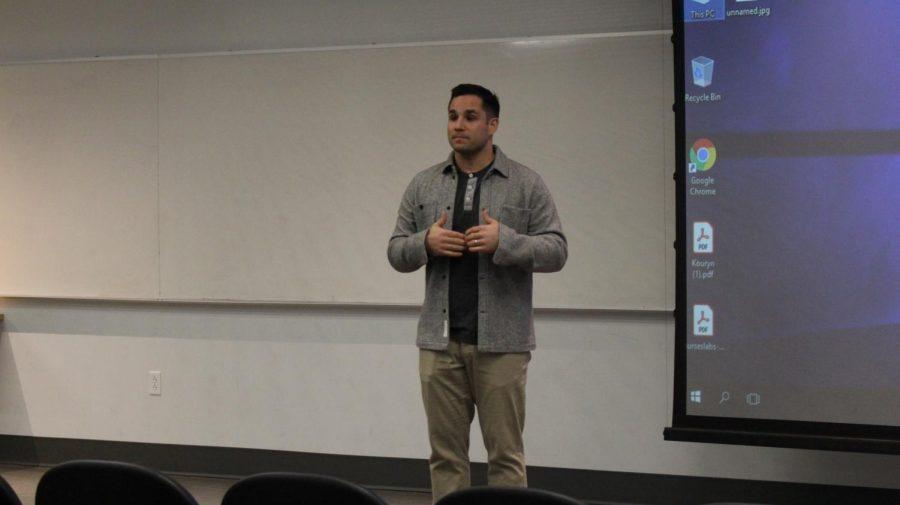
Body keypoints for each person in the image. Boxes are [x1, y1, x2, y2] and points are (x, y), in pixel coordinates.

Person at [387, 83, 567, 502]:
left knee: (505, 457)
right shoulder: (424, 184)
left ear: (493, 124)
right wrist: (425, 244)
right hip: (439, 342)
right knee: (445, 456)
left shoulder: (525, 183)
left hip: (502, 345)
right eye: (452, 116)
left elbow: (557, 250)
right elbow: (396, 251)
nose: (458, 125)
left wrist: (505, 241)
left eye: (469, 117)